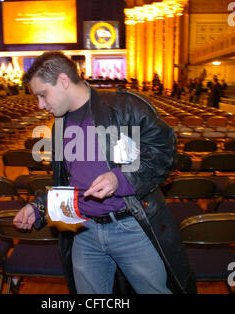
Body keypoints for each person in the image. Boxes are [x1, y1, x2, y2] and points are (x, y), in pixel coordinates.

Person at [13, 51, 196, 294]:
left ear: (63, 81)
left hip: (131, 228)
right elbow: (67, 182)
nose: (40, 105)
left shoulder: (123, 107)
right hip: (83, 233)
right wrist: (39, 206)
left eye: (42, 94)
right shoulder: (60, 123)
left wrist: (120, 178)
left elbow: (166, 152)